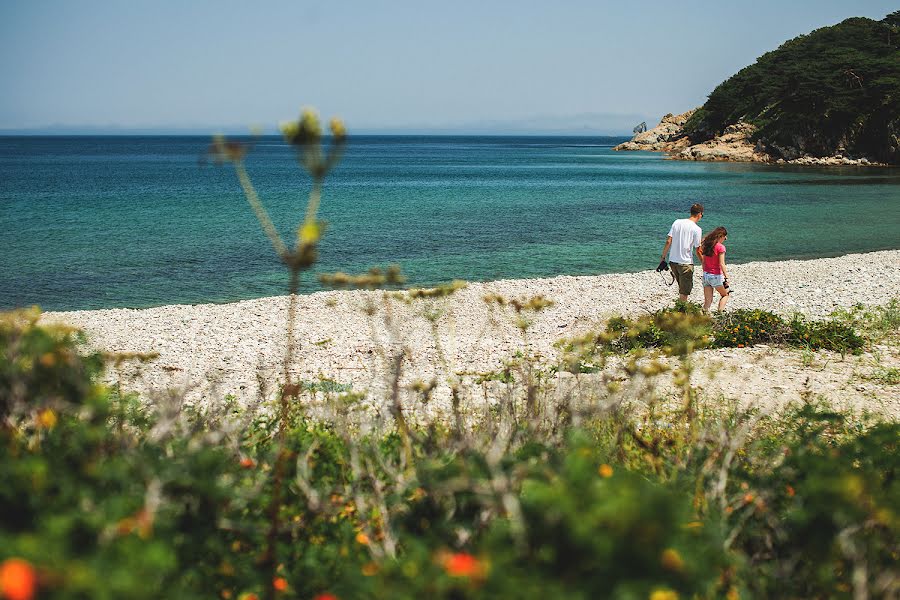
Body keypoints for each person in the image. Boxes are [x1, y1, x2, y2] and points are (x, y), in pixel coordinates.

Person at [659, 203, 703, 301]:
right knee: (684, 292)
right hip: (685, 263)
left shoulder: (677, 222)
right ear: (700, 214)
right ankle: (681, 313)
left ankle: (679, 310)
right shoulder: (697, 229)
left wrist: (663, 258)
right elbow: (698, 250)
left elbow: (668, 241)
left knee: (681, 289)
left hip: (673, 262)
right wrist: (704, 264)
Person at [700, 226, 730, 312]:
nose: (725, 239)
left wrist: (705, 272)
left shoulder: (707, 246)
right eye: (724, 237)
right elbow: (722, 264)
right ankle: (720, 314)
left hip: (706, 275)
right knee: (725, 295)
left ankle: (702, 319)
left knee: (707, 302)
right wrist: (726, 277)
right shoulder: (720, 247)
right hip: (716, 276)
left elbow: (703, 262)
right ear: (721, 236)